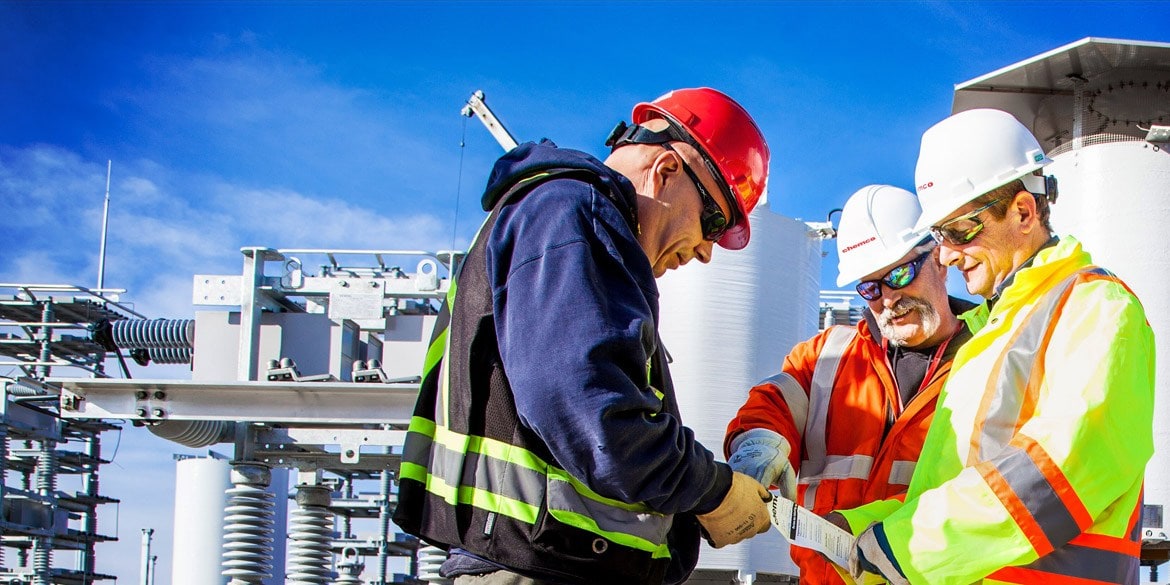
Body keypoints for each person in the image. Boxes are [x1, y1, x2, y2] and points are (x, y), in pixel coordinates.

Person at [393, 88, 774, 585]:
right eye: (713, 221)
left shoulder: (567, 230)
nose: (706, 252)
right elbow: (597, 419)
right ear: (667, 169)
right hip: (537, 567)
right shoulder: (571, 214)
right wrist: (714, 490)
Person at [841, 108, 1156, 584]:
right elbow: (943, 492)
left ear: (1024, 213)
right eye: (938, 236)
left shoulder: (1096, 307)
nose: (945, 254)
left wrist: (904, 546)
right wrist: (857, 529)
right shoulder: (986, 338)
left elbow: (1062, 468)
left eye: (959, 232)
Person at [724, 184, 975, 584]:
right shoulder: (827, 355)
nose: (888, 299)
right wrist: (758, 442)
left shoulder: (989, 357)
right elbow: (771, 405)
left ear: (941, 261)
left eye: (899, 273)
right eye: (871, 288)